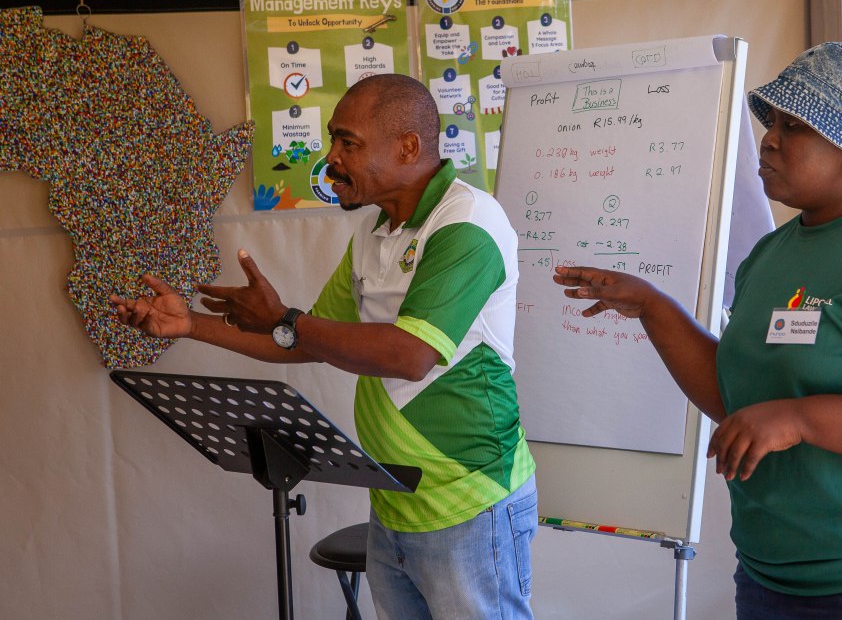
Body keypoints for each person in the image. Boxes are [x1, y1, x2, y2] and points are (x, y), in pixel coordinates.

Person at [553, 42, 842, 619]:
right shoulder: (769, 256)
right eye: (770, 122)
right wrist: (651, 306)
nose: (768, 139)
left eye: (793, 126)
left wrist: (800, 419)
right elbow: (740, 402)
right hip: (774, 577)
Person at [112, 74, 538, 620]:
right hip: (396, 503)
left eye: (347, 142)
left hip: (472, 502)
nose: (331, 157)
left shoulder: (468, 222)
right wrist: (191, 324)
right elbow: (301, 340)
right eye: (333, 140)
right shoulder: (373, 232)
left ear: (408, 147)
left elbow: (410, 355)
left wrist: (285, 318)